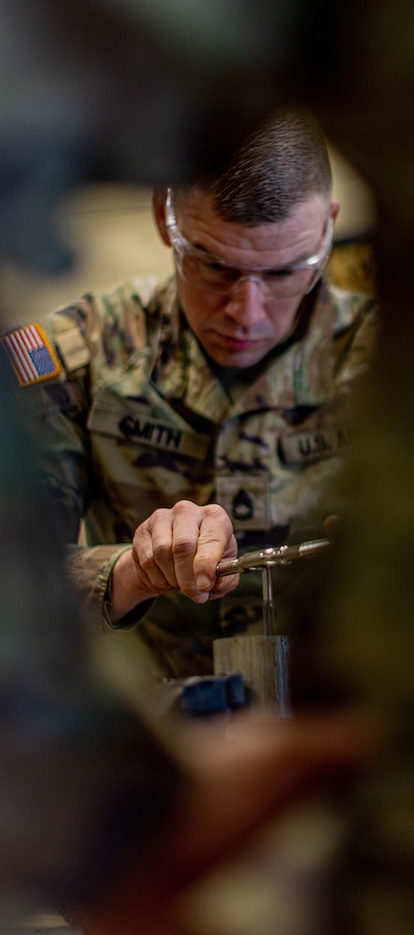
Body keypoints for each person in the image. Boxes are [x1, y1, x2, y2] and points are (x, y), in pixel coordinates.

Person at [4, 107, 377, 680]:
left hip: (347, 726)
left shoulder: (392, 362)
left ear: (328, 229)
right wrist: (130, 572)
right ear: (163, 217)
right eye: (213, 267)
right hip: (161, 735)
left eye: (284, 273)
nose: (246, 314)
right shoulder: (76, 357)